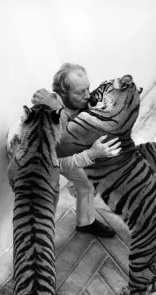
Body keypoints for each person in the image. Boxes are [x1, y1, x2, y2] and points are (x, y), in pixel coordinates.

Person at [32, 63, 121, 238]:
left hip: (62, 152)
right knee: (46, 201)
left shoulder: (79, 102)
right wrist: (91, 155)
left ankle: (85, 223)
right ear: (63, 93)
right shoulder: (50, 116)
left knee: (86, 186)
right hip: (42, 161)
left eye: (87, 88)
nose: (88, 95)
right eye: (80, 92)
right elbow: (60, 157)